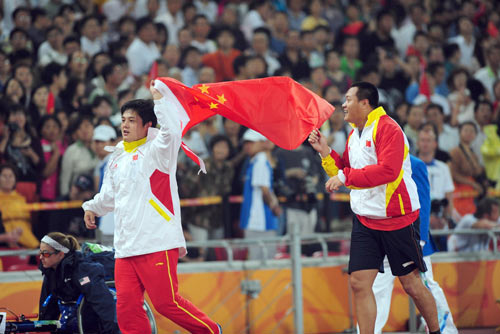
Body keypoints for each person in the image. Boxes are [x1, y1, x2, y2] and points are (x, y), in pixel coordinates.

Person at [82, 81, 221, 334]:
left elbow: (172, 133)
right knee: (126, 309)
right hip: (125, 246)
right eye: (123, 119)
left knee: (166, 303)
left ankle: (211, 331)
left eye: (132, 120)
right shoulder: (117, 156)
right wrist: (92, 207)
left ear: (148, 125)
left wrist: (160, 101)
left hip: (156, 242)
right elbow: (110, 196)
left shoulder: (159, 150)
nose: (124, 125)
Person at [308, 82, 440, 334]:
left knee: (411, 283)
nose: (343, 105)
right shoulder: (354, 133)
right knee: (359, 283)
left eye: (348, 99)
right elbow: (344, 168)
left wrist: (345, 177)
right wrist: (325, 151)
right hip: (365, 221)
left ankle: (436, 332)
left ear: (365, 103)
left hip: (397, 219)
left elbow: (388, 172)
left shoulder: (388, 128)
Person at [362, 155, 457, 334]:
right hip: (382, 238)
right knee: (376, 289)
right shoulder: (369, 162)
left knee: (426, 286)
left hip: (412, 239)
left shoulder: (414, 164)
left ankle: (446, 332)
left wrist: (419, 239)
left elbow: (423, 202)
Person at [38, 232, 120, 334]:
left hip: (94, 324)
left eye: (45, 254)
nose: (41, 257)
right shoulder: (50, 272)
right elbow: (48, 309)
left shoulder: (83, 271)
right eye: (40, 252)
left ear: (60, 254)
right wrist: (43, 328)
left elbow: (103, 305)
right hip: (72, 321)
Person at [240, 129, 282, 260]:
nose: (248, 146)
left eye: (251, 142)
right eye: (246, 143)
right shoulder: (255, 162)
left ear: (262, 143)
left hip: (260, 221)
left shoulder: (260, 162)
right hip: (256, 221)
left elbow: (265, 190)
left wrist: (274, 208)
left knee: (262, 261)